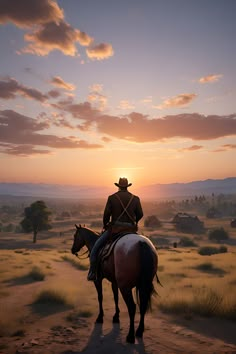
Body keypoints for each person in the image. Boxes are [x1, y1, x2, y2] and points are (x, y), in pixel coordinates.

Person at [87, 177, 144, 281]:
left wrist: (105, 224)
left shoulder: (112, 198)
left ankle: (93, 272)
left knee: (95, 248)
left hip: (115, 229)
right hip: (131, 230)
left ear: (118, 186)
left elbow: (106, 215)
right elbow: (140, 214)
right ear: (127, 186)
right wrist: (134, 222)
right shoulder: (135, 199)